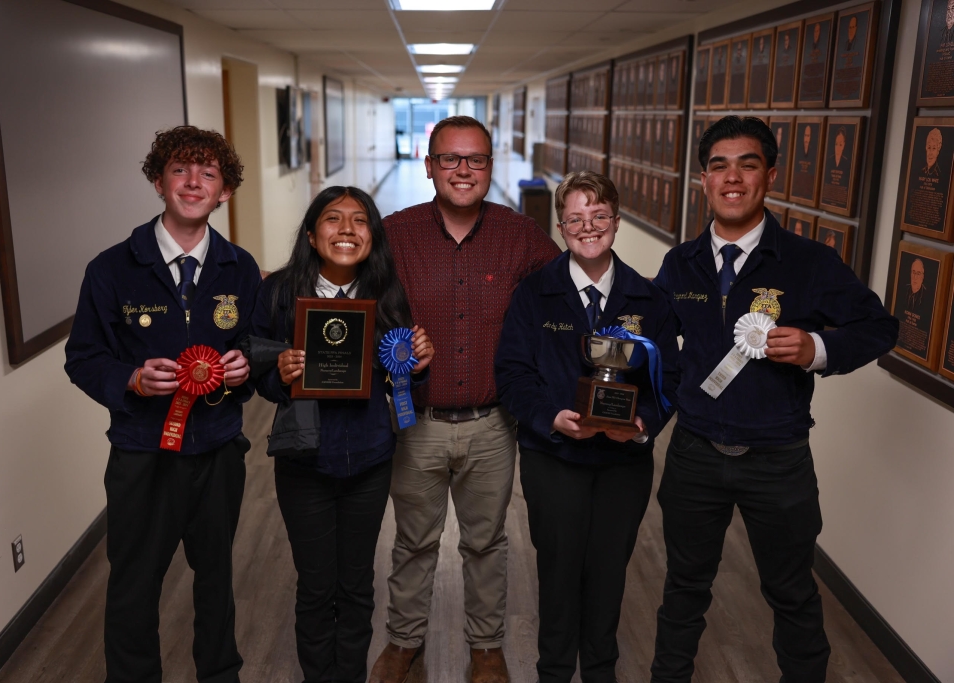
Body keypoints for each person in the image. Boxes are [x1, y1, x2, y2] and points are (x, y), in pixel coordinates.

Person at [649, 116, 898, 683]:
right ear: (704, 181)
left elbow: (879, 327)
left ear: (770, 176)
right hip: (694, 457)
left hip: (778, 461)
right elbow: (655, 344)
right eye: (718, 166)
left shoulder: (809, 262)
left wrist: (817, 346)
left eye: (748, 163)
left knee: (791, 593)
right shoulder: (680, 263)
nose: (731, 177)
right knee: (683, 589)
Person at [65, 125, 261, 683]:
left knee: (216, 581)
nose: (193, 182)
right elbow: (82, 357)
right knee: (133, 585)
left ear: (225, 191)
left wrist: (244, 367)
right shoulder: (111, 269)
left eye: (208, 173)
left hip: (218, 451)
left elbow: (252, 345)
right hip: (141, 455)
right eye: (180, 169)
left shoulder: (240, 268)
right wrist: (129, 378)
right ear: (158, 181)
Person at [369, 115, 561, 683]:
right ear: (428, 167)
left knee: (486, 543)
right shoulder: (395, 233)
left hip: (491, 424)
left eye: (475, 160)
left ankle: (486, 648)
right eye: (450, 159)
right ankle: (404, 642)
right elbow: (355, 302)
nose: (463, 170)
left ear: (489, 167)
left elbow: (567, 294)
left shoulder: (519, 234)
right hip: (416, 420)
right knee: (413, 541)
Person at [495, 171, 679, 683]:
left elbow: (672, 379)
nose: (588, 226)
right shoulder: (535, 293)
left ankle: (601, 671)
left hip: (623, 464)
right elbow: (512, 373)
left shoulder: (649, 299)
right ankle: (553, 671)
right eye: (575, 218)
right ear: (560, 227)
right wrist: (549, 417)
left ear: (616, 223)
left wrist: (642, 424)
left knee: (608, 573)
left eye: (598, 216)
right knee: (558, 572)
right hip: (554, 457)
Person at [250, 186, 434, 683]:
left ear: (373, 236)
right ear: (312, 234)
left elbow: (407, 389)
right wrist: (280, 372)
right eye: (333, 219)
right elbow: (256, 373)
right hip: (304, 461)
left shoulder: (390, 294)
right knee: (315, 587)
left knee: (356, 586)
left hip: (370, 460)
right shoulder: (279, 293)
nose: (347, 230)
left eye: (359, 220)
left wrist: (417, 367)